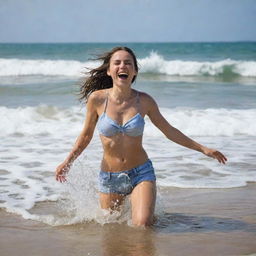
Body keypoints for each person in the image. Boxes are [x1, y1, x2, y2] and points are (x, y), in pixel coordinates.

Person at [55, 46, 227, 227]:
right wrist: (68, 162)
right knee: (110, 228)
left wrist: (203, 149)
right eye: (117, 63)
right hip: (110, 177)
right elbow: (85, 136)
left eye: (128, 63)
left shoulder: (144, 101)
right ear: (109, 70)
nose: (123, 66)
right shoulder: (97, 100)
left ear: (135, 71)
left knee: (143, 225)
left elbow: (169, 131)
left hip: (140, 173)